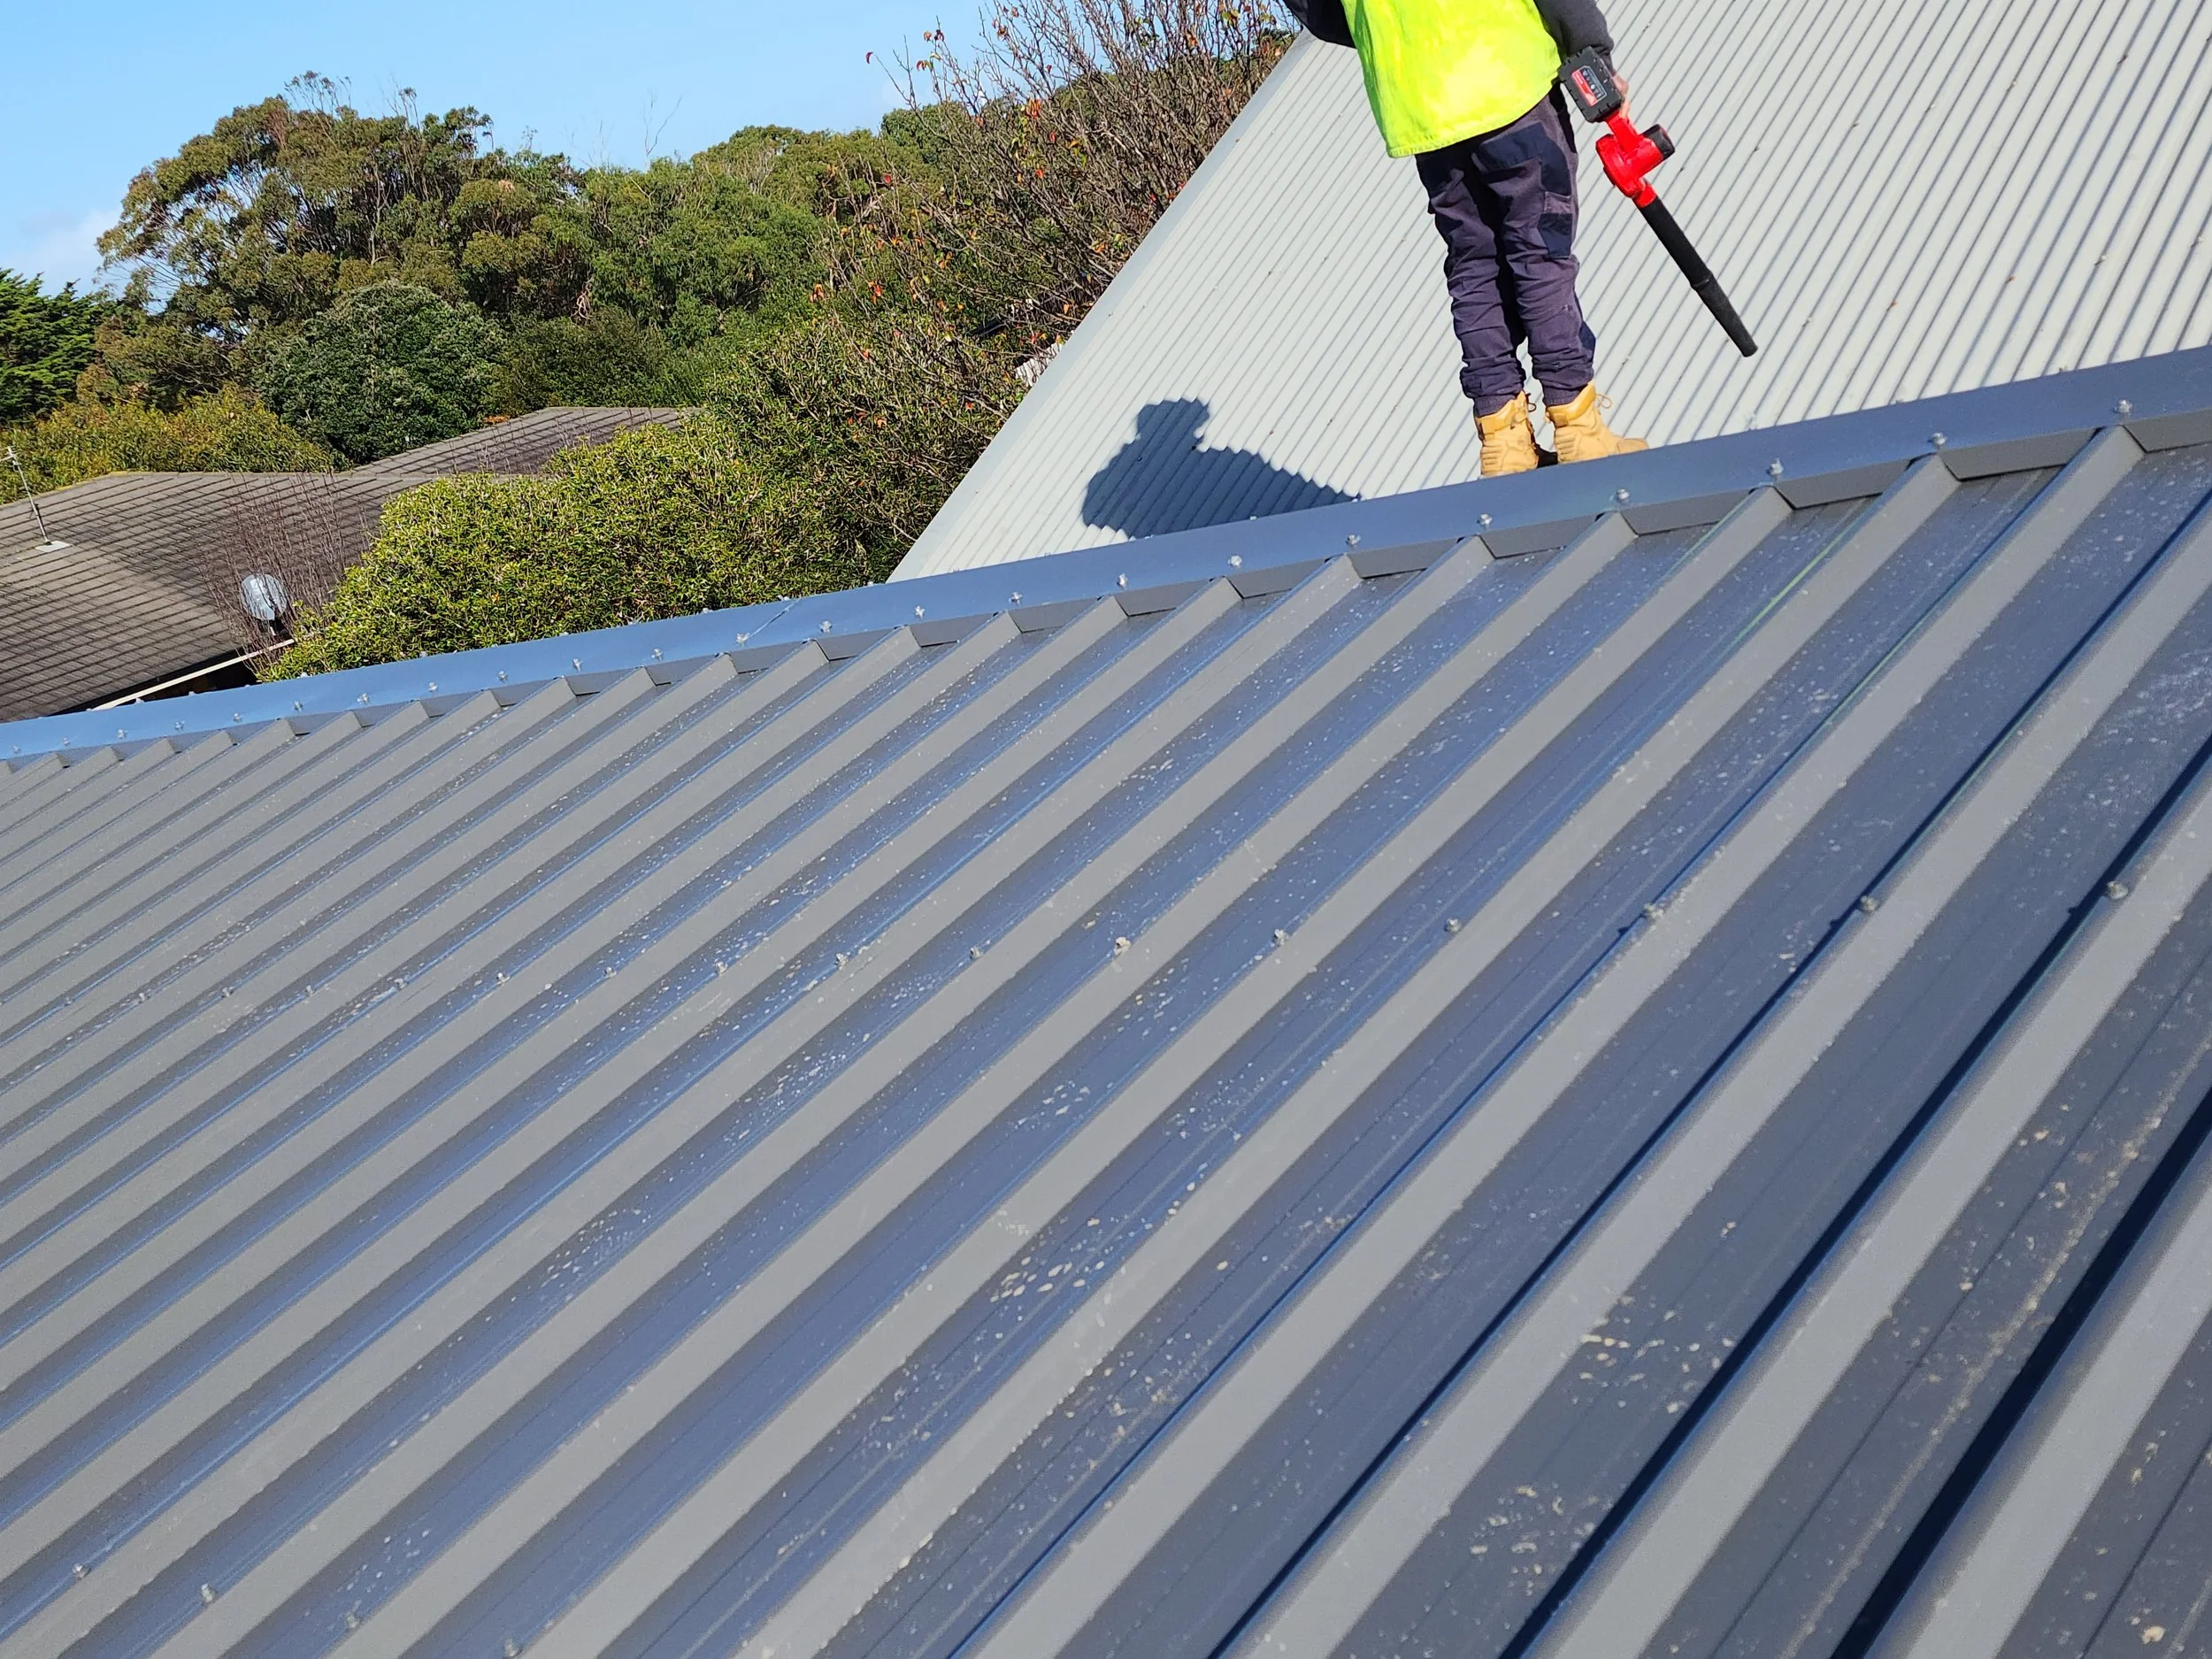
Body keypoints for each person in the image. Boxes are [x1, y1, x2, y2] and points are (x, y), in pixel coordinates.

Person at [1287, 0, 1647, 477]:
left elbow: (1318, 11)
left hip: (1423, 107)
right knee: (1541, 251)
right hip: (1507, 81)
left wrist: (1398, 38)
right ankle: (1577, 427)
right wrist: (1592, 51)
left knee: (1474, 265)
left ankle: (1504, 440)